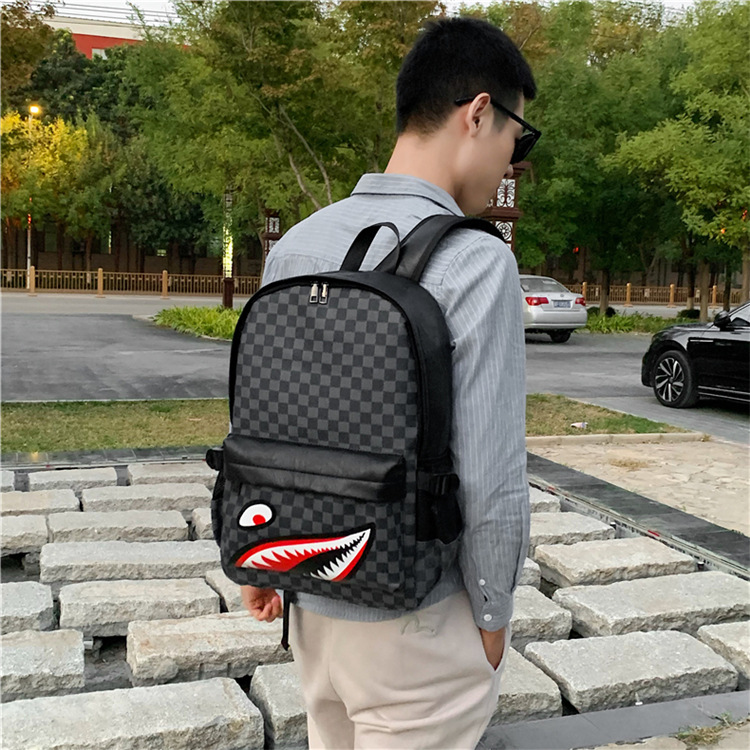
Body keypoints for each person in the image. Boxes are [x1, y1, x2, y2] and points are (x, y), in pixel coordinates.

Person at [241, 16, 537, 750]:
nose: (512, 161)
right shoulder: (476, 261)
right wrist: (492, 618)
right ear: (478, 113)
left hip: (312, 601)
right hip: (420, 618)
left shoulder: (300, 243)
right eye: (518, 137)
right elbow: (492, 470)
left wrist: (261, 553)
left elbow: (267, 421)